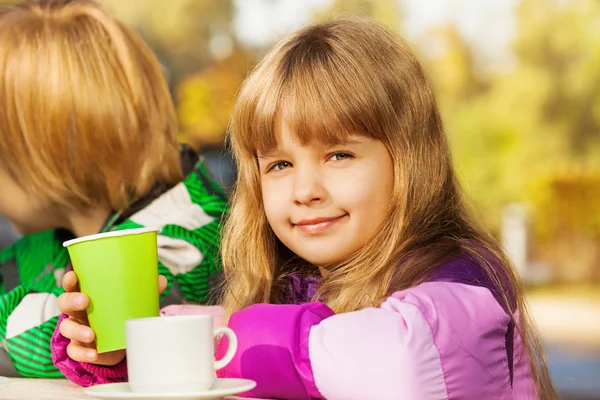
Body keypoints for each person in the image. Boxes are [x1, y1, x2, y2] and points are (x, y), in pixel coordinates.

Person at [53, 17, 556, 399]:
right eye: (279, 165)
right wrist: (130, 352)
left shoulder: (460, 277)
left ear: (407, 160)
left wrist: (236, 336)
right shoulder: (294, 281)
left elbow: (398, 360)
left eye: (338, 155)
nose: (304, 190)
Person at [0, 0, 227, 378]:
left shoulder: (187, 241)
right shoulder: (52, 241)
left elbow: (28, 336)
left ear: (44, 161)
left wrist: (76, 336)